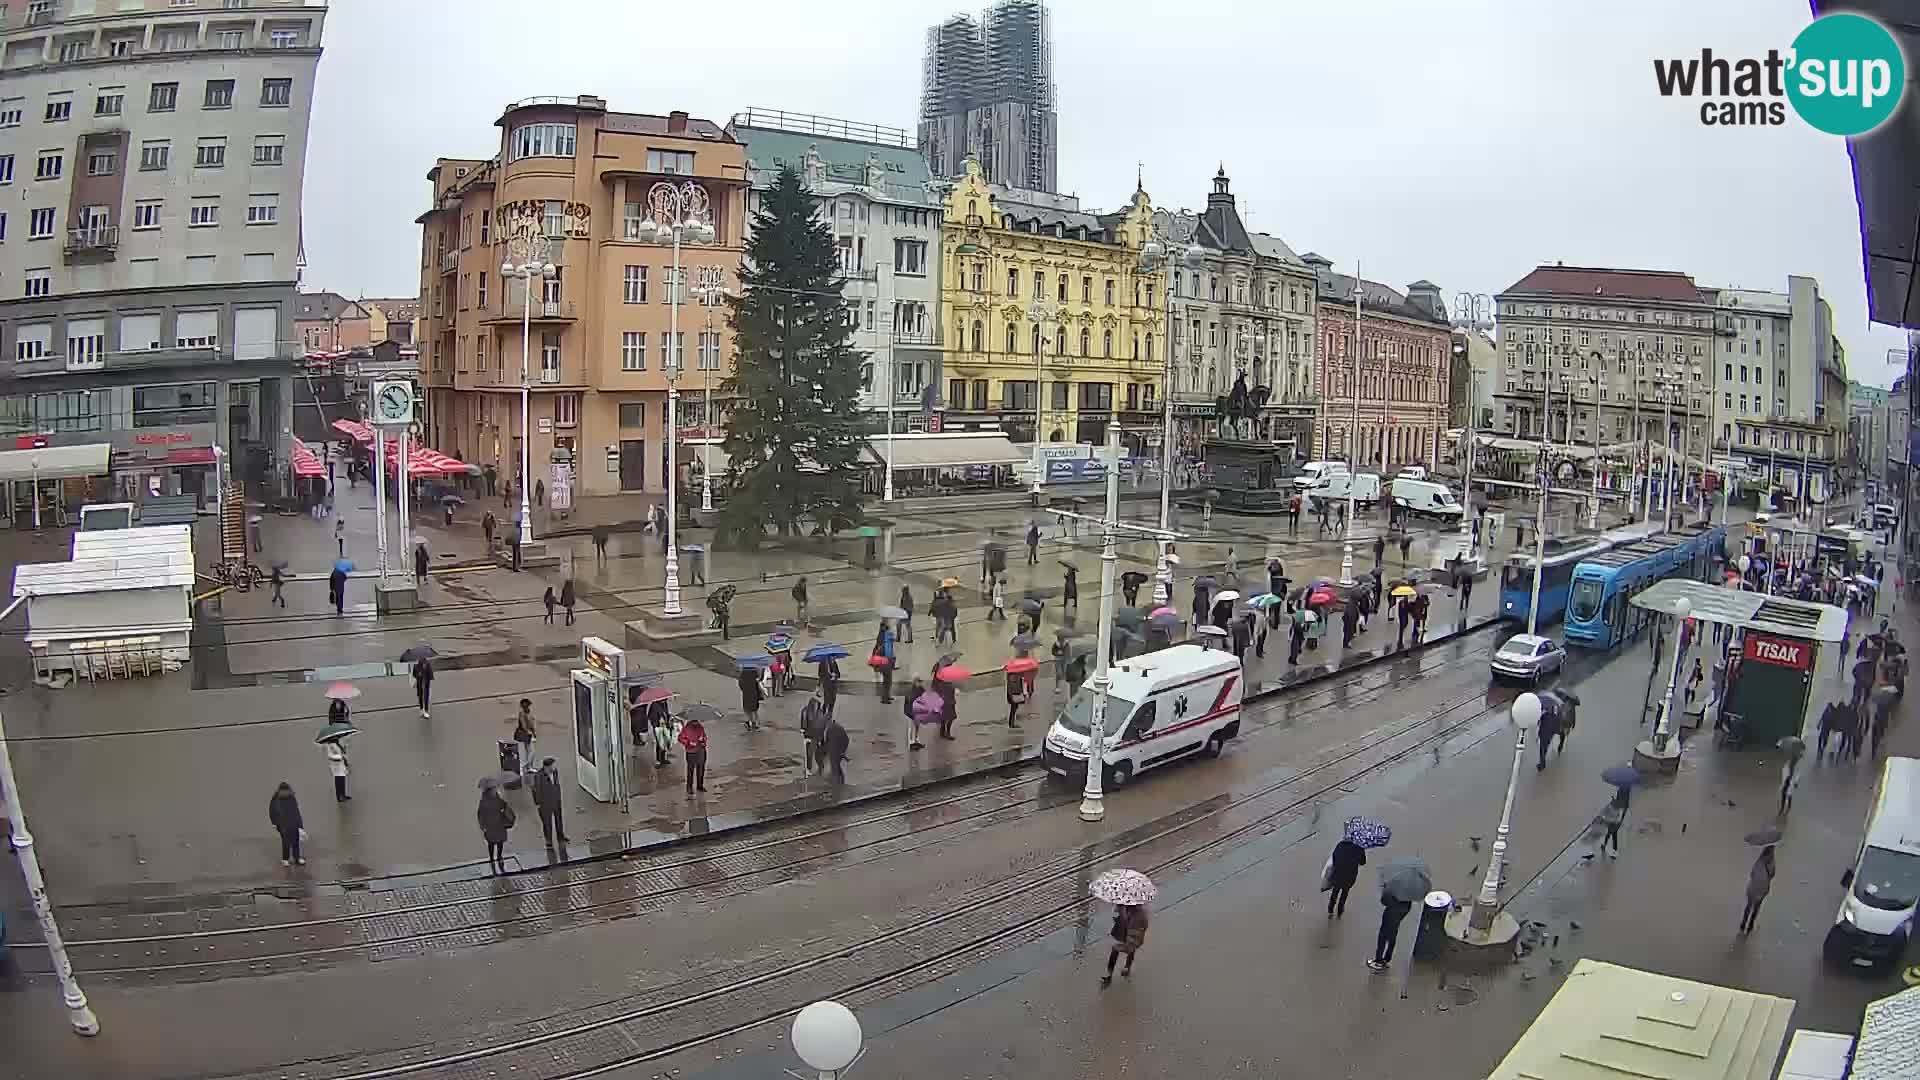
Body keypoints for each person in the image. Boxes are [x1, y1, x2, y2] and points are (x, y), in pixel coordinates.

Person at [1101, 903, 1149, 986]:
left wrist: (1124, 919)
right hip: (1130, 937)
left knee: (1116, 949)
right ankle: (1127, 967)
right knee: (1130, 950)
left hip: (1132, 939)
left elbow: (1135, 926)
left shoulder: (1137, 915)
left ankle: (1109, 974)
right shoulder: (1133, 912)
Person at [477, 782, 515, 875]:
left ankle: (499, 856)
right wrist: (482, 825)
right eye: (494, 789)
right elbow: (480, 814)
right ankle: (492, 858)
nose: (496, 790)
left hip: (498, 824)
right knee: (491, 843)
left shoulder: (497, 798)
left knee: (500, 842)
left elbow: (503, 805)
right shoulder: (484, 801)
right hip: (490, 825)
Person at [1368, 892, 1412, 972]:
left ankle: (1378, 960)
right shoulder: (1409, 894)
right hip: (1400, 913)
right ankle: (1387, 958)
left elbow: (1384, 900)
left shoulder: (1394, 887)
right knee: (1393, 934)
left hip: (1391, 912)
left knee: (1383, 936)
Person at [1324, 837, 1366, 918]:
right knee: (1345, 892)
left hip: (1338, 874)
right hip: (1350, 875)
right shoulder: (1359, 848)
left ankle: (1330, 909)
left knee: (1335, 891)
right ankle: (1340, 910)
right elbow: (1363, 862)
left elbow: (1334, 856)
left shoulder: (1341, 845)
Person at [531, 757, 568, 848]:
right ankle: (549, 841)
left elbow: (556, 785)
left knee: (559, 820)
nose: (555, 767)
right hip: (545, 804)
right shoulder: (539, 776)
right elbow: (535, 790)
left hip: (556, 800)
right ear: (547, 767)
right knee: (547, 823)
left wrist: (558, 797)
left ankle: (560, 836)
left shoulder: (555, 772)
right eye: (553, 765)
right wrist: (538, 803)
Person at [1740, 845, 1775, 934]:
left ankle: (1743, 924)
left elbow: (1752, 873)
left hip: (1752, 888)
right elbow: (1772, 875)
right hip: (1762, 890)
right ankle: (1750, 926)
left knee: (1748, 906)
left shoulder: (1759, 862)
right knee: (1756, 907)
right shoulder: (1772, 863)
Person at [269, 782, 304, 867]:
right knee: (286, 842)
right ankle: (285, 859)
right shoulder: (276, 799)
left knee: (295, 841)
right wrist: (275, 823)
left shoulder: (291, 797)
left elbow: (296, 811)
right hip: (283, 825)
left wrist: (300, 825)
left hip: (292, 823)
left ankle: (296, 858)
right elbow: (273, 812)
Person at [679, 710, 709, 794]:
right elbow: (681, 738)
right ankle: (689, 787)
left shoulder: (700, 727)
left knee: (701, 769)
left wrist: (703, 740)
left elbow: (704, 736)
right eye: (695, 721)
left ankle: (700, 785)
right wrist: (689, 743)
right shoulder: (686, 728)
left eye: (697, 721)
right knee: (690, 770)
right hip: (691, 752)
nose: (696, 723)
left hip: (701, 750)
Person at [799, 690, 828, 775]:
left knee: (811, 753)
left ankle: (810, 768)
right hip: (814, 736)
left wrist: (803, 730)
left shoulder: (807, 710)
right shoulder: (819, 712)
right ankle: (813, 768)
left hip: (812, 736)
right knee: (813, 753)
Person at [1535, 697, 1565, 770]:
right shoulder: (1557, 707)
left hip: (1547, 728)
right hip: (1554, 726)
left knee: (1543, 746)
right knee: (1560, 733)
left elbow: (1539, 720)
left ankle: (1542, 764)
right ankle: (1561, 743)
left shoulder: (1542, 708)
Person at [873, 620, 897, 702]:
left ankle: (887, 696)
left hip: (887, 662)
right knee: (887, 681)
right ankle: (885, 698)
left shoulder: (884, 637)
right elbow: (882, 651)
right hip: (885, 662)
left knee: (888, 681)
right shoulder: (884, 640)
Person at [1597, 789, 1627, 858]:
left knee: (1613, 836)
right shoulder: (1618, 803)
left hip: (1614, 822)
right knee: (1611, 835)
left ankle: (1612, 851)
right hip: (1614, 822)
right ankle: (1607, 847)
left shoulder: (1619, 805)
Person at [822, 711, 850, 785]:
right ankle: (841, 780)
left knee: (835, 767)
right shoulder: (837, 726)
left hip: (834, 751)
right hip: (839, 749)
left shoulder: (830, 729)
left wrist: (829, 751)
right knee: (837, 766)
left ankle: (836, 785)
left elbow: (829, 742)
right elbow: (846, 739)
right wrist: (843, 751)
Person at [513, 698, 536, 770]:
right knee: (531, 751)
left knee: (529, 751)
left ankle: (529, 766)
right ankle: (528, 767)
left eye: (527, 704)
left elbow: (531, 723)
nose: (526, 706)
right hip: (525, 734)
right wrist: (528, 732)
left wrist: (533, 732)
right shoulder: (522, 713)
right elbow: (523, 724)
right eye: (524, 704)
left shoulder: (529, 712)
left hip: (529, 734)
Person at [739, 666, 764, 731]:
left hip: (746, 693)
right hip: (753, 692)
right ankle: (754, 723)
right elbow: (758, 680)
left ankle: (749, 721)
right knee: (754, 709)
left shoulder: (743, 673)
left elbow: (740, 683)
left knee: (748, 709)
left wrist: (744, 689)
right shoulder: (755, 672)